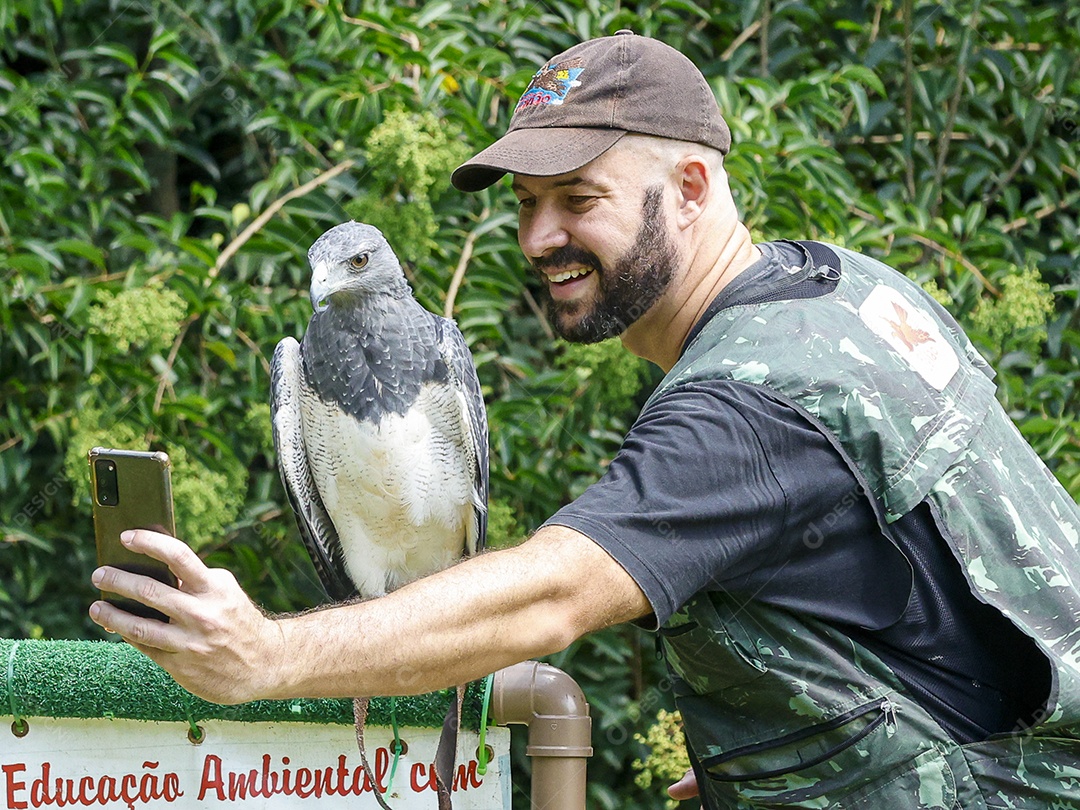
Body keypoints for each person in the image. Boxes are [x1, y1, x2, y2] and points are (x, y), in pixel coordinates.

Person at [90, 32, 1080, 808]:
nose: (540, 238)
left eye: (578, 198)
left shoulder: (750, 402)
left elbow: (551, 597)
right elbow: (940, 570)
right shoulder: (841, 291)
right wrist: (794, 750)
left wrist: (269, 657)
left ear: (690, 187)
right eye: (525, 204)